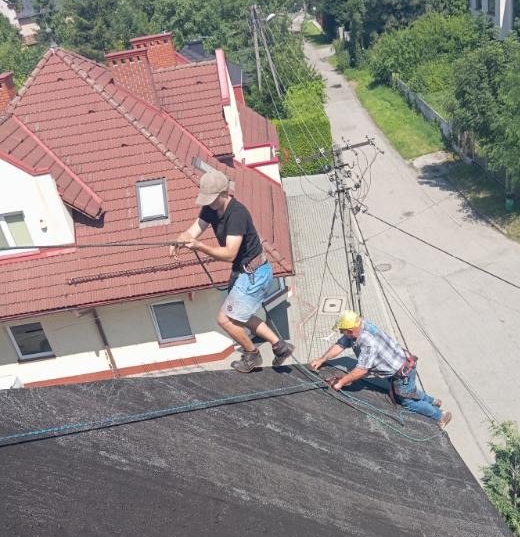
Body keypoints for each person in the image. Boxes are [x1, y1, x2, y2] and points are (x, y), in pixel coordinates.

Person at [171, 170, 294, 373]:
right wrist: (180, 239)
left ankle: (252, 355)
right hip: (246, 271)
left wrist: (199, 246)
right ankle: (280, 347)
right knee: (239, 315)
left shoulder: (237, 215)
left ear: (224, 193)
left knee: (225, 319)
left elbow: (229, 254)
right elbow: (193, 230)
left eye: (212, 199)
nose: (209, 203)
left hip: (254, 273)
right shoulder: (211, 208)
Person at [309, 310, 452, 429]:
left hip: (402, 372)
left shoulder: (367, 341)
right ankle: (433, 400)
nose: (341, 333)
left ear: (350, 331)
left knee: (407, 401)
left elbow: (362, 370)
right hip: (402, 366)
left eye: (342, 331)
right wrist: (322, 359)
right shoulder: (358, 328)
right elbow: (340, 345)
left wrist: (341, 382)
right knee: (409, 391)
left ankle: (441, 415)